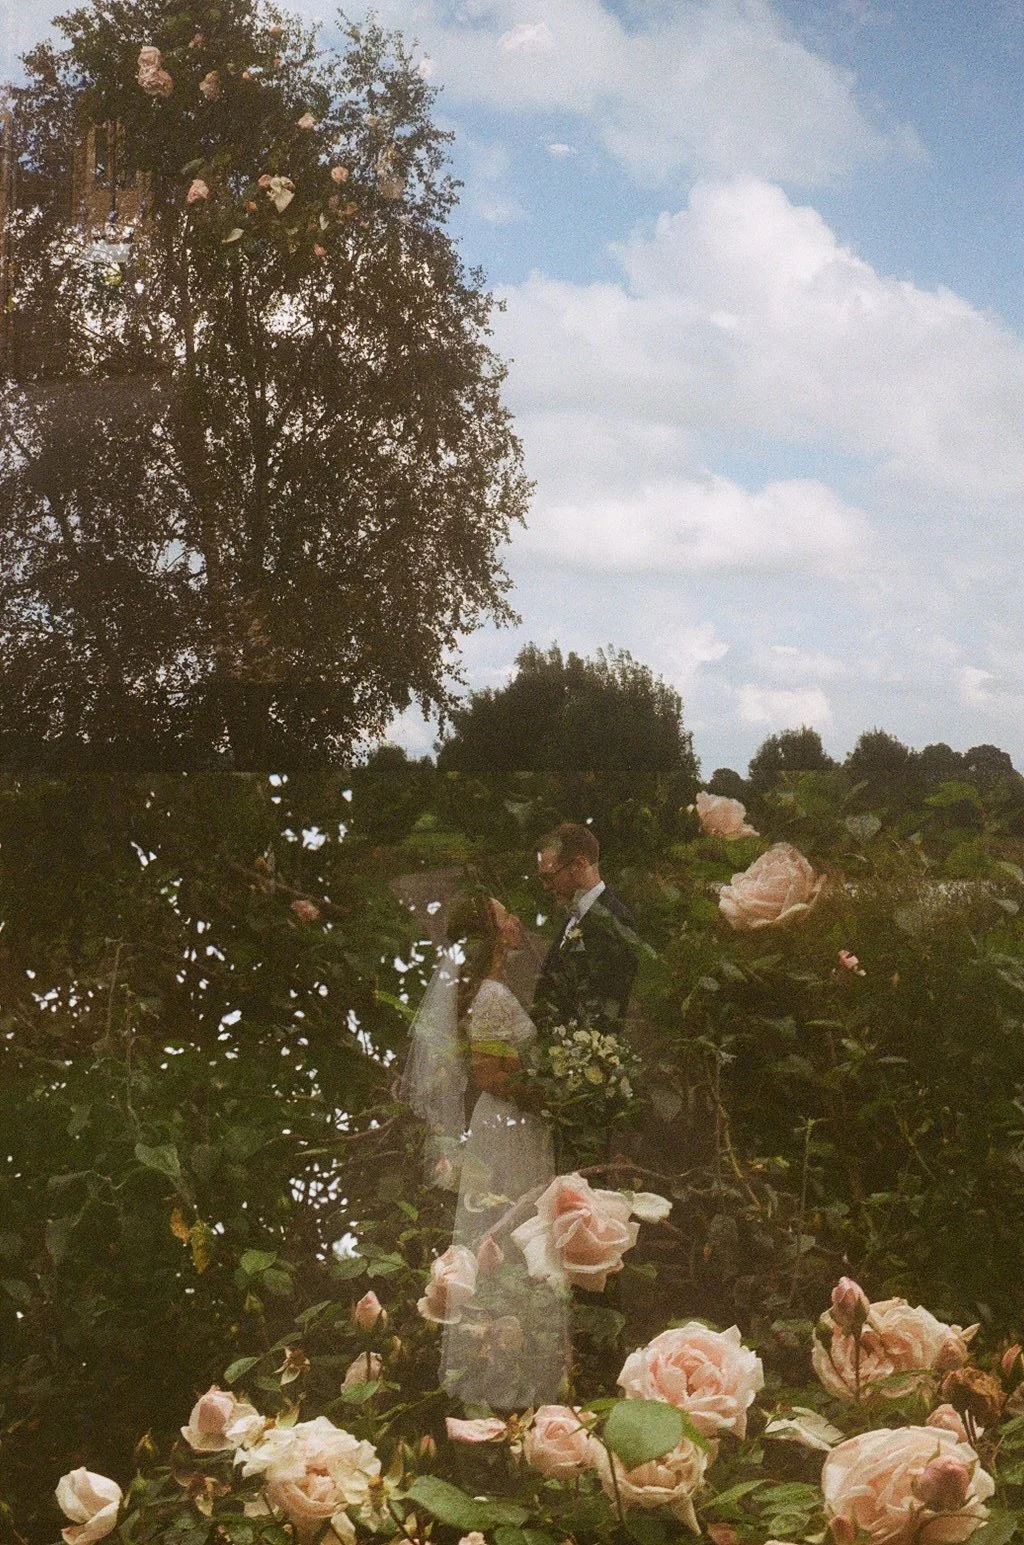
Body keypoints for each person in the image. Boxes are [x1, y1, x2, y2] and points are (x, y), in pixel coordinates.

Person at [398, 888, 570, 1410]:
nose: (515, 921)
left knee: (522, 1228)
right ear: (493, 936)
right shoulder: (492, 996)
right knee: (514, 1226)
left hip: (514, 1121)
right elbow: (489, 1072)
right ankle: (504, 1380)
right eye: (503, 917)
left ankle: (527, 1367)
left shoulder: (494, 989)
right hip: (510, 1123)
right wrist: (552, 1092)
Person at [532, 822, 641, 1033]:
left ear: (580, 864)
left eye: (549, 876)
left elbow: (604, 1012)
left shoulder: (614, 922)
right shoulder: (577, 913)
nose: (546, 886)